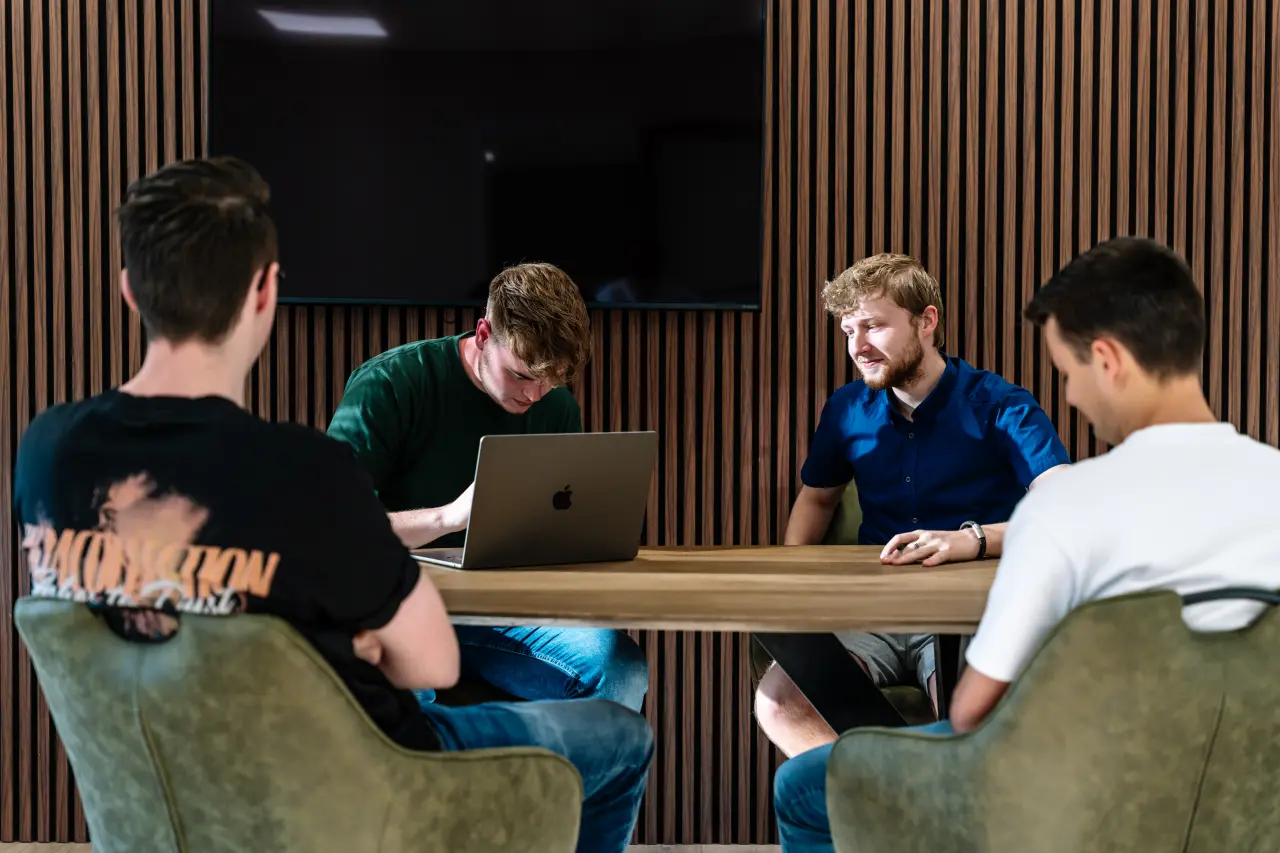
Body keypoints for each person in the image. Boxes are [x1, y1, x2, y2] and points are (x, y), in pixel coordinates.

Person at [12, 157, 653, 853]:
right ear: (265, 291)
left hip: (177, 801)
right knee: (623, 738)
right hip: (363, 781)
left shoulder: (48, 451)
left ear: (130, 291)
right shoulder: (304, 472)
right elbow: (432, 664)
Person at [772, 236, 1280, 853]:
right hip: (1236, 796)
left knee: (805, 786)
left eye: (1069, 373)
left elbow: (976, 709)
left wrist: (972, 542)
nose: (1068, 397)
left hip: (1094, 788)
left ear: (1109, 361)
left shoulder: (1071, 508)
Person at [756, 253, 1070, 758]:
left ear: (926, 322)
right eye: (847, 330)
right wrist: (800, 584)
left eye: (874, 326)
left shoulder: (1001, 403)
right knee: (779, 700)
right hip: (870, 608)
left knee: (973, 711)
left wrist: (972, 539)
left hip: (968, 612)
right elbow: (816, 499)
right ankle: (878, 809)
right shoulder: (845, 409)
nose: (857, 347)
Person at [324, 262, 649, 713]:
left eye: (551, 378)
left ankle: (556, 785)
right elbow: (330, 531)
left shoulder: (555, 407)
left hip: (506, 617)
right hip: (398, 608)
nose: (535, 395)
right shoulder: (392, 384)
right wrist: (448, 518)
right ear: (482, 335)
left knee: (620, 671)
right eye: (521, 375)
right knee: (402, 696)